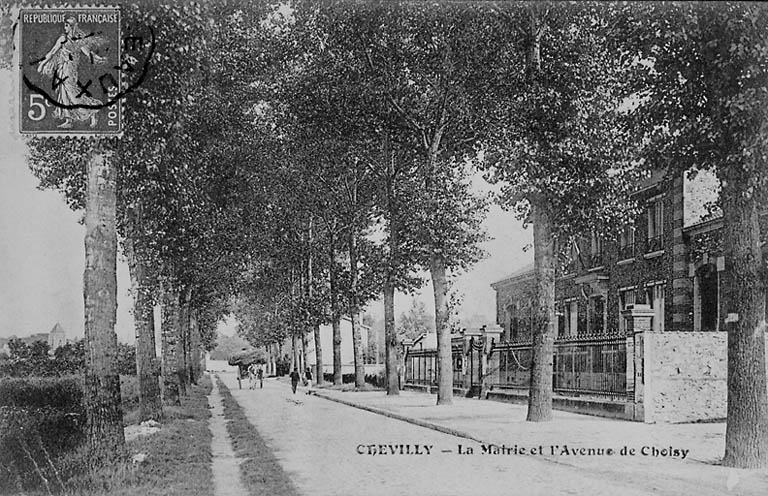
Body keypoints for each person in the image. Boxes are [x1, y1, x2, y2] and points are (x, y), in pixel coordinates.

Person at [36, 18, 108, 128]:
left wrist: (98, 58)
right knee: (63, 92)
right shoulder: (62, 38)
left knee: (72, 94)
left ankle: (92, 110)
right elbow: (52, 52)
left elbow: (87, 52)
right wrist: (42, 64)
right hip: (62, 68)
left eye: (67, 25)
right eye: (64, 25)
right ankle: (68, 120)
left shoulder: (78, 39)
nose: (65, 28)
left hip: (70, 70)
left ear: (72, 26)